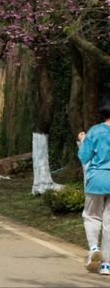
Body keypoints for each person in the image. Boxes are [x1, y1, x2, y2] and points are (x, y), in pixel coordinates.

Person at [78, 95, 110, 275]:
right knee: (109, 223)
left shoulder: (95, 131)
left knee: (91, 216)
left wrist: (83, 140)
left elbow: (84, 156)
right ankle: (106, 265)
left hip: (97, 180)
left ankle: (93, 249)